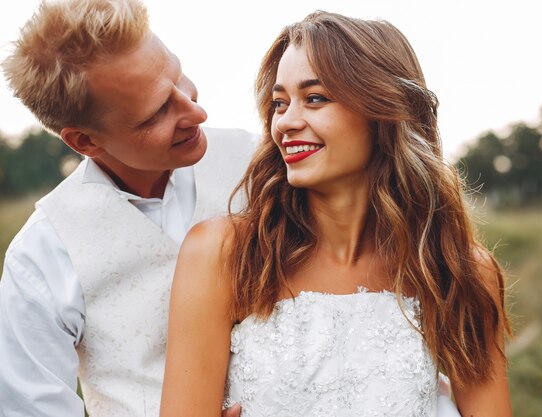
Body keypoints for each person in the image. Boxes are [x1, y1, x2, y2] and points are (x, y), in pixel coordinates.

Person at [160, 10, 512, 417]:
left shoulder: (457, 271)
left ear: (382, 110)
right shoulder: (221, 254)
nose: (286, 122)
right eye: (279, 103)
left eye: (315, 98)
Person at [0, 1, 254, 416]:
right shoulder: (42, 259)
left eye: (178, 76)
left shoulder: (262, 165)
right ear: (85, 142)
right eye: (157, 112)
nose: (196, 111)